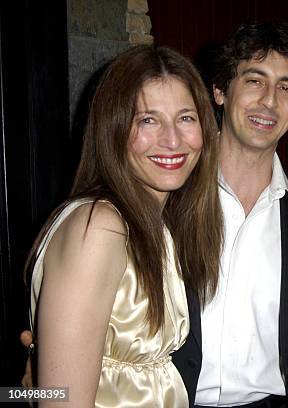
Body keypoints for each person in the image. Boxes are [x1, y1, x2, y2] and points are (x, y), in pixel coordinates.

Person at [26, 45, 223, 407]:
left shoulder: (156, 225)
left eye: (185, 118)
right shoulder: (100, 225)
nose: (173, 140)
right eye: (147, 120)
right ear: (113, 129)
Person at [170, 22, 288, 407]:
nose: (269, 101)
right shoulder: (166, 196)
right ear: (219, 91)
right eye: (254, 81)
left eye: (285, 88)